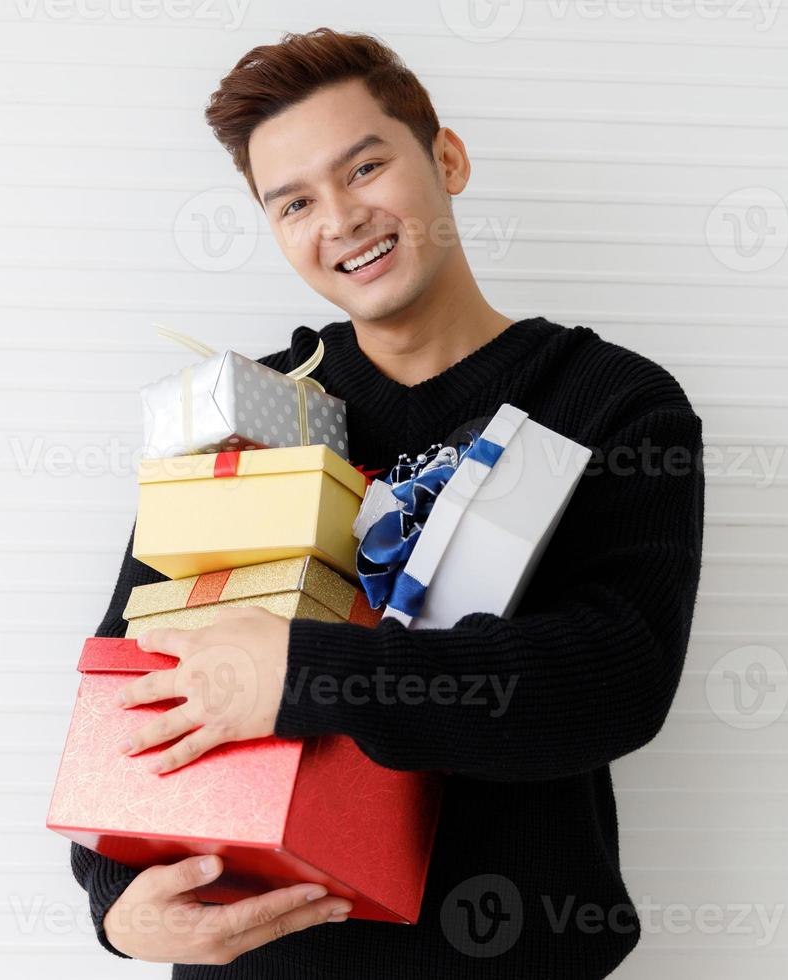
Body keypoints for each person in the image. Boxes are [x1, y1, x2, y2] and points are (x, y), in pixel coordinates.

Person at [70, 27, 705, 979]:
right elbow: (133, 670)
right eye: (294, 202)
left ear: (445, 158)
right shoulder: (247, 412)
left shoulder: (607, 400)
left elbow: (619, 677)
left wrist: (309, 673)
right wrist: (117, 903)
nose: (341, 218)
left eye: (365, 167)